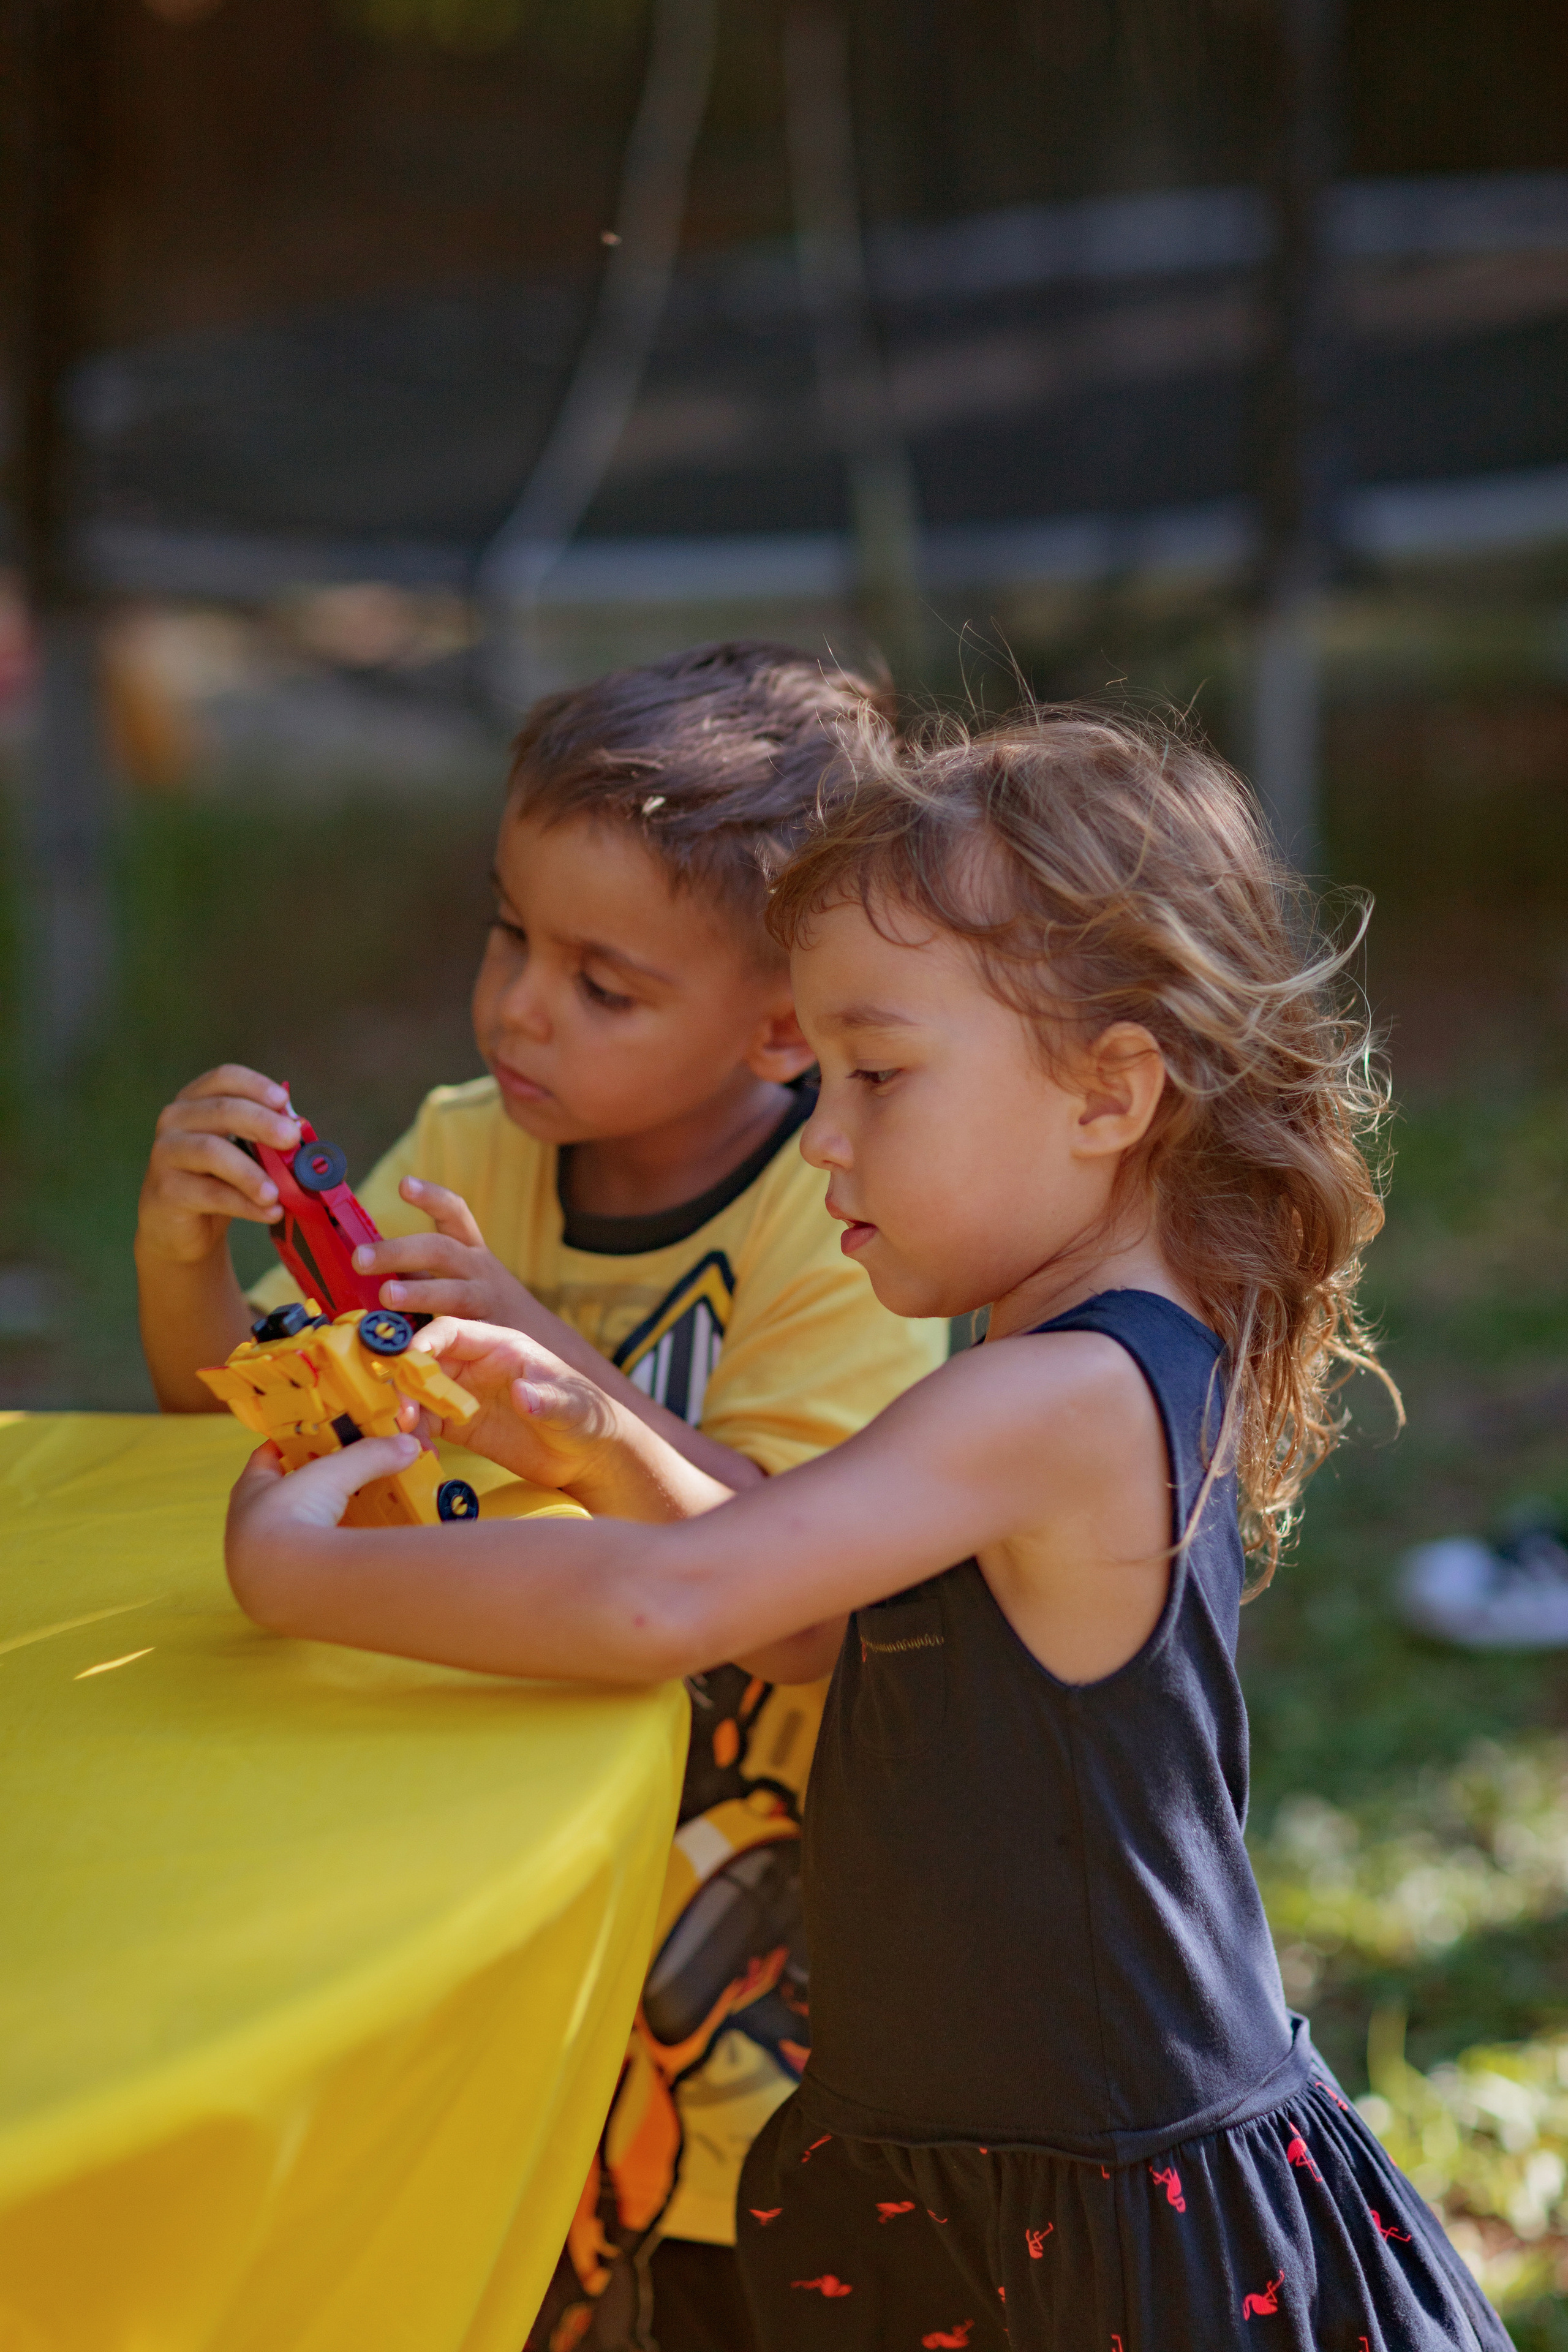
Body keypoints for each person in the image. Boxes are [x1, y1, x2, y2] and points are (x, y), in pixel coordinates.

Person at [220, 704, 1507, 2352]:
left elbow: (671, 1603)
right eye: (820, 1075)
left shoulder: (1055, 1398)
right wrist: (593, 1428)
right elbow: (809, 1618)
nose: (823, 1134)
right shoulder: (1065, 1361)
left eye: (878, 1075)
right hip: (986, 2179)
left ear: (1112, 1091)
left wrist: (315, 1574)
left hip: (1103, 2230)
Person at [132, 640, 949, 2352]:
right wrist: (183, 1264)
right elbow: (280, 1432)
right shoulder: (468, 1142)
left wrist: (569, 1401)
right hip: (468, 1863)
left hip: (742, 1941)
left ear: (782, 1022)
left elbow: (798, 1589)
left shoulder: (837, 1222)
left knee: (722, 2280)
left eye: (606, 983)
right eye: (513, 934)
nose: (519, 1006)